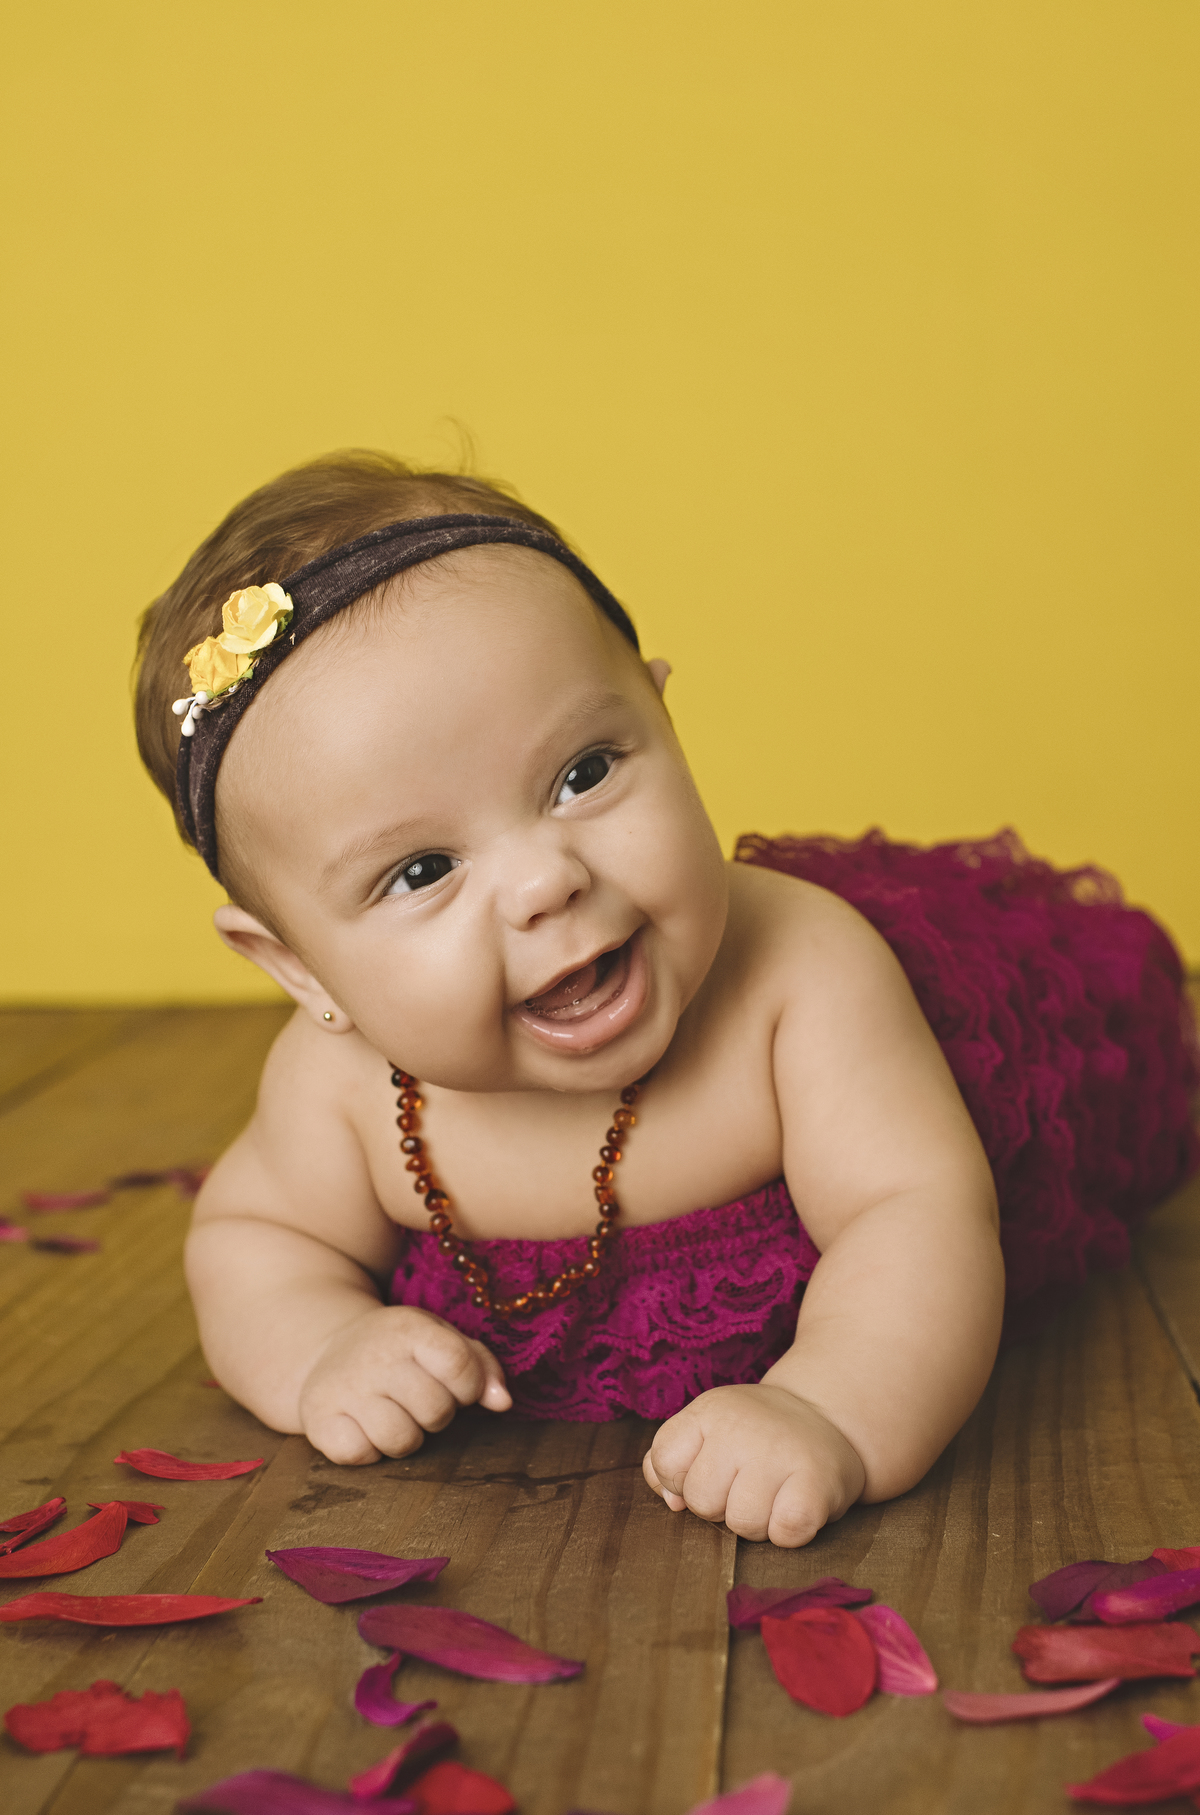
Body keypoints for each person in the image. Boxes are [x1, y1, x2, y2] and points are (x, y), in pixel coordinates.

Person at [134, 451, 1198, 1548]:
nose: (547, 880)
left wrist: (829, 1405)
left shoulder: (801, 977)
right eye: (420, 872)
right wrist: (319, 1346)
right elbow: (255, 1239)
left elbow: (915, 1216)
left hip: (980, 1105)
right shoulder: (341, 1089)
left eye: (584, 773)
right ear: (300, 969)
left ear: (664, 716)